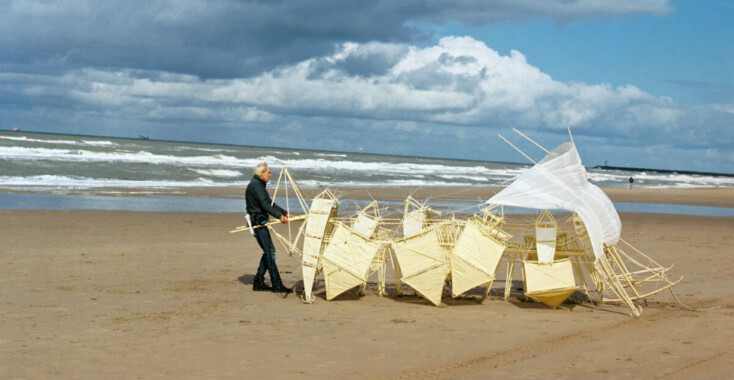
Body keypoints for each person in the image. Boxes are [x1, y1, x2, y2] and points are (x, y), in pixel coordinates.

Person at [245, 162, 293, 294]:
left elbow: (269, 202)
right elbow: (265, 205)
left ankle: (258, 281)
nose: (270, 175)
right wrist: (280, 217)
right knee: (270, 252)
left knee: (269, 251)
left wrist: (284, 213)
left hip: (260, 222)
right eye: (268, 173)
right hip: (257, 223)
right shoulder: (256, 186)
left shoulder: (258, 185)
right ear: (261, 174)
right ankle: (276, 284)